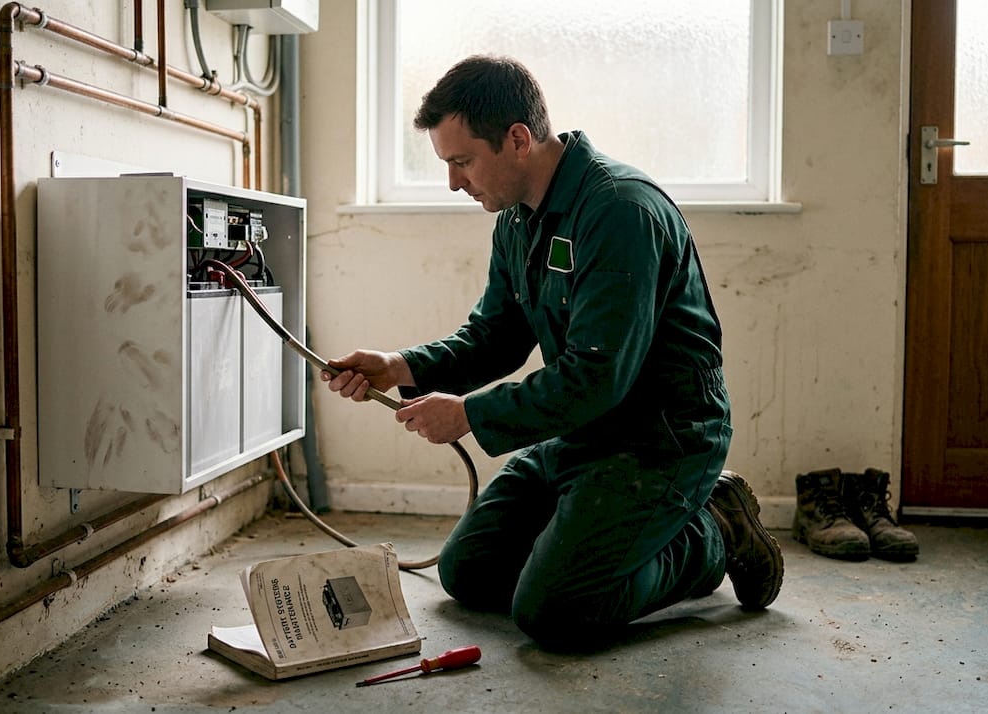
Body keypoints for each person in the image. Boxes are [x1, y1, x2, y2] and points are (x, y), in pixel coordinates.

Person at [322, 55, 783, 650]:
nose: (454, 182)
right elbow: (495, 335)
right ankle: (592, 531)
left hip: (660, 441)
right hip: (581, 435)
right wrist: (399, 366)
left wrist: (468, 414)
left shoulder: (620, 212)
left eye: (462, 161)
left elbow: (596, 377)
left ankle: (715, 529)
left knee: (555, 612)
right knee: (469, 572)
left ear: (518, 139)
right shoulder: (517, 219)